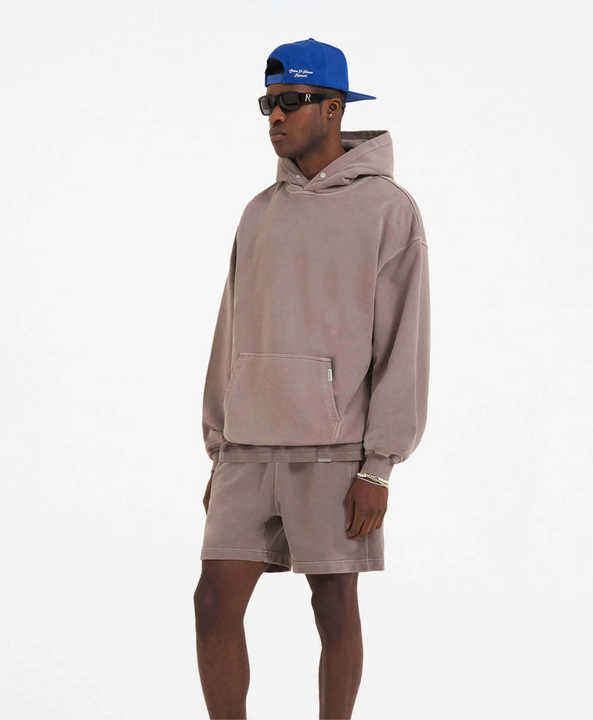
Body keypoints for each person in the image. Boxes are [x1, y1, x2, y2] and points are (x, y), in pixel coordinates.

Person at [194, 37, 431, 719]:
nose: (276, 115)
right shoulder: (258, 212)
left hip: (334, 452)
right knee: (213, 603)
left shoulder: (389, 209)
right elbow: (231, 330)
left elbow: (404, 342)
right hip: (248, 448)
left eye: (292, 101)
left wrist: (378, 469)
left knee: (333, 605)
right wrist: (221, 446)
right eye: (268, 103)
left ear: (333, 109)